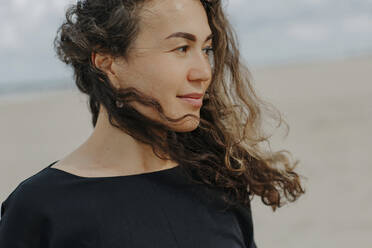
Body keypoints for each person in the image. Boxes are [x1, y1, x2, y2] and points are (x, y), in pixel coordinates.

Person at [0, 0, 306, 247]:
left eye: (206, 49)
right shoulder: (39, 208)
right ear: (108, 63)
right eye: (182, 48)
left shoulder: (220, 183)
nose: (203, 71)